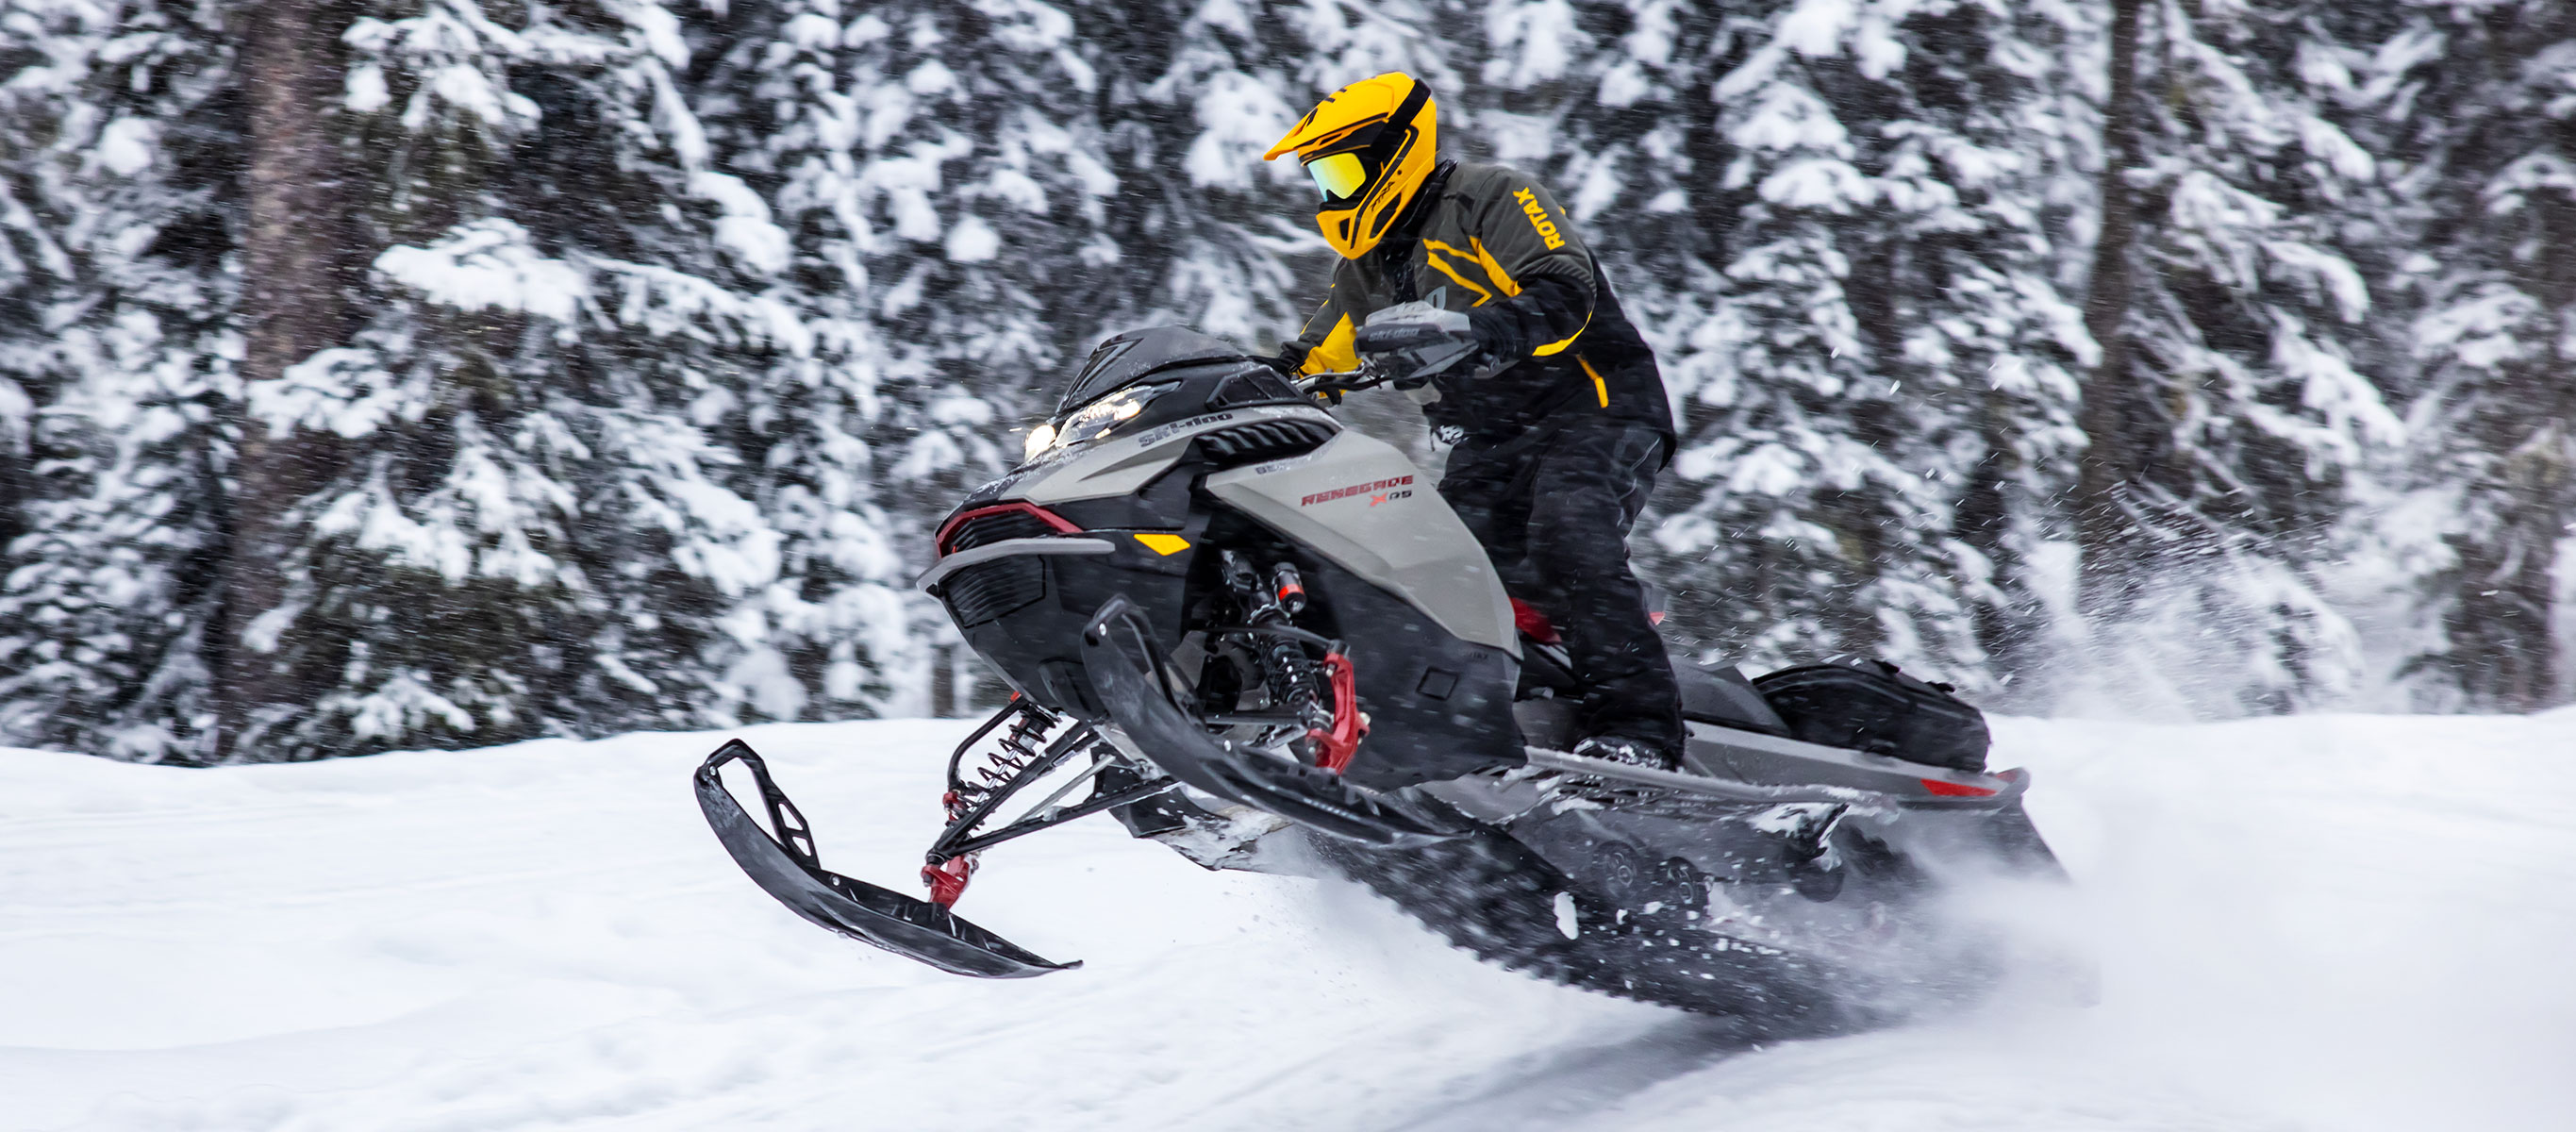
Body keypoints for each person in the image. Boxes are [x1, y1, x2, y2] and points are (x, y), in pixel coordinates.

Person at [1263, 72, 1687, 769]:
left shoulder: (1488, 196)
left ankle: (1641, 730)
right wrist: (1240, 385)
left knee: (1568, 533)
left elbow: (1564, 288)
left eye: (1340, 172)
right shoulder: (1365, 267)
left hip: (1594, 406)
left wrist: (1474, 330)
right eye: (1322, 180)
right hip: (1491, 440)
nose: (1332, 195)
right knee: (1425, 572)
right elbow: (1313, 357)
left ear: (1392, 151)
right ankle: (1459, 724)